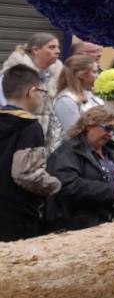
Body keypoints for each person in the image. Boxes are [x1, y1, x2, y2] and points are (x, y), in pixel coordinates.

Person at [47, 106, 114, 231]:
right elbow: (67, 185)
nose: (111, 134)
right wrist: (111, 191)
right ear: (89, 125)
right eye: (107, 128)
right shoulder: (67, 152)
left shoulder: (113, 151)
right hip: (83, 224)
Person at [0, 65, 62, 241]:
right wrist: (55, 185)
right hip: (16, 215)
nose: (43, 96)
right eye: (42, 91)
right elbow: (25, 174)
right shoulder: (29, 126)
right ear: (32, 91)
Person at [0, 33, 63, 151]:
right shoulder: (14, 74)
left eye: (58, 47)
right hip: (14, 139)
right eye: (51, 47)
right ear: (36, 50)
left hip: (43, 139)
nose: (58, 51)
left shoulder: (56, 75)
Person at [52, 55, 105, 145]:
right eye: (94, 72)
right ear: (81, 75)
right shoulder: (66, 100)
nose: (98, 76)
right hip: (73, 154)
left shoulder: (94, 96)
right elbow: (74, 133)